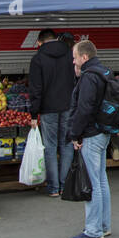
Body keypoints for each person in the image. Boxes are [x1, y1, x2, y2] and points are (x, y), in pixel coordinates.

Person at [67, 40, 114, 238]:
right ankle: (104, 225)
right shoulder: (104, 72)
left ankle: (94, 230)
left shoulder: (88, 77)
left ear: (84, 57)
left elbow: (84, 109)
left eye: (75, 57)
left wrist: (75, 135)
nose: (74, 61)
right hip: (103, 132)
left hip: (91, 135)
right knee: (101, 180)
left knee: (92, 184)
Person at [28, 28, 76, 197]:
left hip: (48, 109)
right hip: (68, 106)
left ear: (40, 42)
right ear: (56, 39)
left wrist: (34, 114)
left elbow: (36, 90)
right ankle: (64, 185)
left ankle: (54, 188)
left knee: (50, 146)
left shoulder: (38, 59)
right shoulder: (70, 55)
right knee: (67, 144)